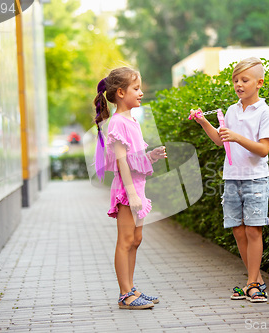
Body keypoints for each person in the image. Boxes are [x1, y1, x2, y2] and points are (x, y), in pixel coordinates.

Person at [189, 57, 269, 303]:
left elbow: (263, 150)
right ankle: (256, 282)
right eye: (235, 80)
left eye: (244, 80)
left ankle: (252, 283)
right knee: (238, 232)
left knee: (253, 231)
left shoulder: (265, 113)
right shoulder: (231, 110)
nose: (239, 84)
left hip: (255, 179)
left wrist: (236, 137)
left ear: (259, 83)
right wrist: (204, 121)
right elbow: (220, 140)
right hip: (232, 179)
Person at [94, 67, 167, 309]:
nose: (141, 93)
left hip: (137, 187)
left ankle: (132, 288)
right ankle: (125, 294)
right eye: (136, 88)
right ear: (121, 92)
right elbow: (121, 161)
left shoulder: (132, 121)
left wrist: (152, 156)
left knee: (136, 239)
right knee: (125, 240)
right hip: (127, 190)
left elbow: (134, 158)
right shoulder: (118, 123)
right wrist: (132, 194)